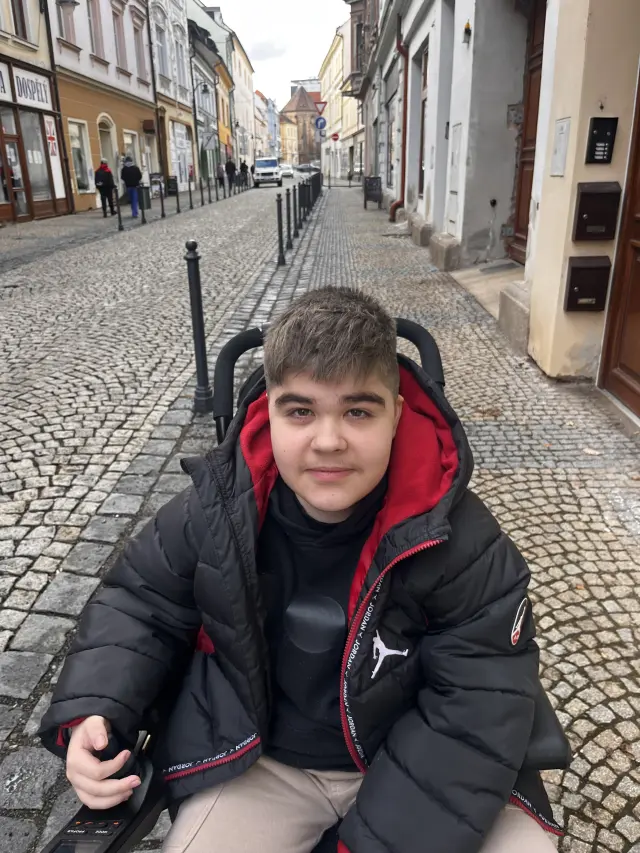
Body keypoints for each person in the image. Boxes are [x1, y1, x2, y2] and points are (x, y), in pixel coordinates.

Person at [39, 287, 566, 853]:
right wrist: (96, 707)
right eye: (300, 411)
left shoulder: (463, 543)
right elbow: (141, 602)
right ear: (268, 412)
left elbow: (476, 705)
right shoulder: (218, 511)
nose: (328, 441)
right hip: (267, 764)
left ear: (396, 415)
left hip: (421, 759)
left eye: (358, 411)